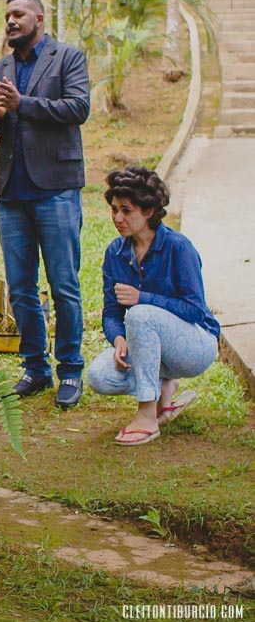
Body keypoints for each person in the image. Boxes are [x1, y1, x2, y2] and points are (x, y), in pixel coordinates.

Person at [0, 0, 91, 409]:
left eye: (19, 14)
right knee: (21, 288)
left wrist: (22, 104)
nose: (11, 21)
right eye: (7, 15)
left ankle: (70, 370)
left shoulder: (67, 58)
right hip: (11, 194)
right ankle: (35, 369)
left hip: (56, 189)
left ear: (39, 19)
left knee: (64, 285)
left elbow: (78, 108)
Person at [86, 167, 220, 445]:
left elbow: (196, 311)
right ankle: (164, 386)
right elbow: (111, 312)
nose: (117, 218)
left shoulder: (178, 247)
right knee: (98, 376)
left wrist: (142, 298)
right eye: (114, 210)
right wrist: (118, 338)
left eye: (126, 210)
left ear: (148, 211)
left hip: (196, 346)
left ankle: (147, 415)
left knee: (140, 314)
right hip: (149, 347)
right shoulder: (115, 253)